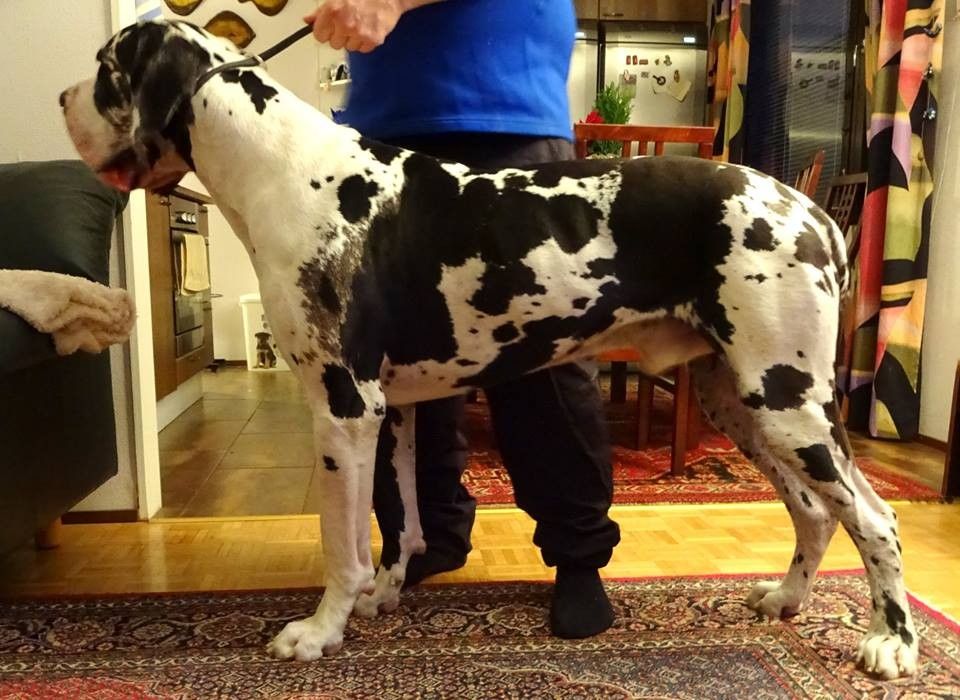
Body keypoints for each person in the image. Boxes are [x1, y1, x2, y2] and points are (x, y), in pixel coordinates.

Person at [304, 0, 621, 639]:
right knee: (396, 356)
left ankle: (579, 554)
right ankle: (430, 536)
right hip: (380, 135)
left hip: (506, 113)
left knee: (543, 352)